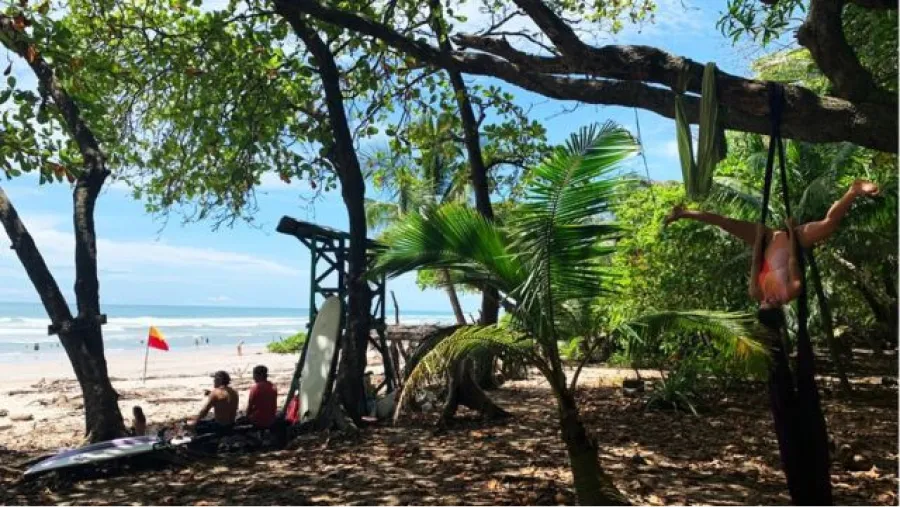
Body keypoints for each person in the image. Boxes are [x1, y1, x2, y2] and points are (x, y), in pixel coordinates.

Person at [664, 179, 879, 316]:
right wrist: (790, 231)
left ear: (760, 304)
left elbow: (756, 261)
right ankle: (854, 190)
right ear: (780, 308)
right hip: (793, 239)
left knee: (726, 223)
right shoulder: (791, 291)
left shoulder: (756, 291)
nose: (770, 299)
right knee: (828, 225)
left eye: (766, 302)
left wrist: (759, 238)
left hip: (766, 240)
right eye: (774, 303)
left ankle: (684, 212)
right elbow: (793, 260)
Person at [190, 370, 238, 435]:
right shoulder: (234, 392)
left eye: (215, 379)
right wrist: (210, 394)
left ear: (219, 380)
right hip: (231, 425)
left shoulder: (215, 393)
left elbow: (204, 411)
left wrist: (195, 422)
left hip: (220, 426)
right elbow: (224, 398)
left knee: (196, 425)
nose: (213, 381)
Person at [243, 365, 277, 429]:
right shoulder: (273, 386)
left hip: (259, 419)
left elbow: (250, 406)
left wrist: (247, 417)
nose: (253, 377)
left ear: (260, 375)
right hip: (271, 418)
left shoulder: (256, 388)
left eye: (254, 375)